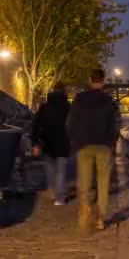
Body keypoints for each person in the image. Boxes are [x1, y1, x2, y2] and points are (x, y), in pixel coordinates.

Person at [67, 69, 119, 231]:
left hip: (84, 146)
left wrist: (75, 142)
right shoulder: (109, 101)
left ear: (90, 80)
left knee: (84, 180)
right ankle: (101, 218)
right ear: (102, 81)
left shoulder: (79, 99)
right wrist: (111, 143)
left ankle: (84, 207)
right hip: (103, 146)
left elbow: (70, 123)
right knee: (103, 183)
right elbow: (115, 125)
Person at [32, 83, 71, 205]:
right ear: (64, 92)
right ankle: (59, 198)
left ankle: (57, 191)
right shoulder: (68, 107)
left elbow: (35, 126)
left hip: (47, 143)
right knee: (60, 171)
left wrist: (35, 143)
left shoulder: (44, 107)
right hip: (63, 143)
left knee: (51, 171)